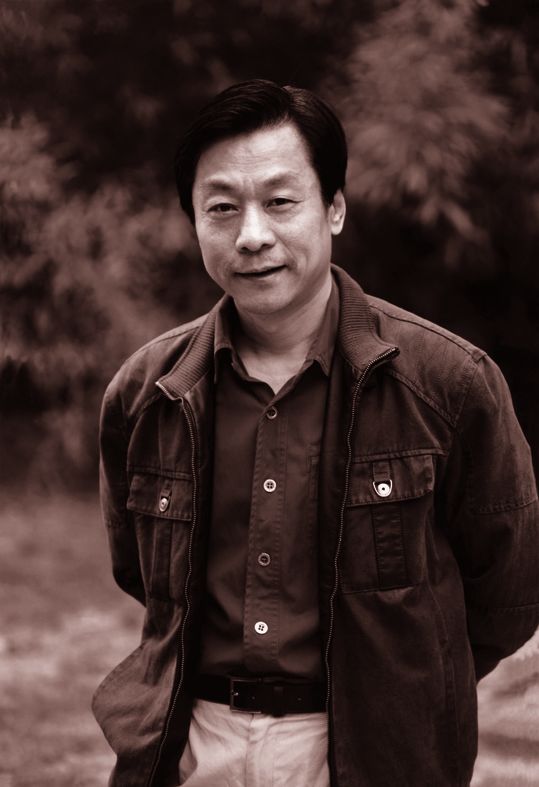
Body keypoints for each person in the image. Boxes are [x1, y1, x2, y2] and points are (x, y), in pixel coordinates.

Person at [93, 79, 539, 787]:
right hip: (191, 747)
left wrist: (406, 680)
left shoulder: (449, 383)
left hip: (374, 753)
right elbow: (142, 575)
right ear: (194, 222)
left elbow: (510, 591)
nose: (251, 235)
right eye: (221, 207)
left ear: (333, 208)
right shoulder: (147, 392)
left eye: (280, 201)